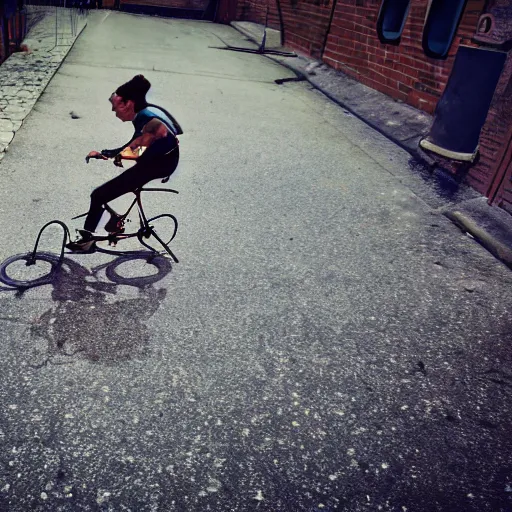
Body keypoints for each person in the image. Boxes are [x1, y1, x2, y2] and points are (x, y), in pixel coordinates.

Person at [66, 75, 181, 251]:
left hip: (158, 164)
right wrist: (108, 153)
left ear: (127, 104)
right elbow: (135, 142)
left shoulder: (150, 120)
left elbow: (137, 150)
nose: (114, 111)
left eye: (115, 107)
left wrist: (118, 155)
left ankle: (86, 241)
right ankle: (114, 221)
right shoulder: (145, 113)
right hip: (157, 159)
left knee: (99, 195)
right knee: (111, 190)